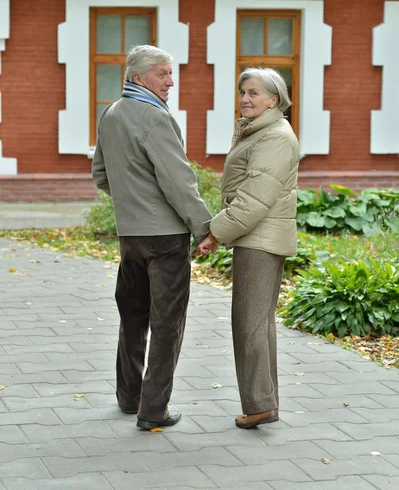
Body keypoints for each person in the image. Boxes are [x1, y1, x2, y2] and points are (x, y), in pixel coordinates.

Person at [92, 45, 218, 431]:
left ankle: (129, 397)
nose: (171, 81)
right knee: (167, 324)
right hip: (165, 239)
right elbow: (178, 182)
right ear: (137, 77)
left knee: (133, 316)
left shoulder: (110, 114)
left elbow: (100, 175)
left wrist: (133, 204)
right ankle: (153, 411)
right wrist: (204, 227)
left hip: (130, 236)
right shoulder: (154, 118)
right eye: (163, 74)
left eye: (171, 73)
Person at [208, 67, 300, 429]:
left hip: (259, 238)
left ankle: (260, 405)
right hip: (256, 236)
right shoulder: (260, 131)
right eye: (243, 91)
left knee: (249, 323)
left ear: (273, 100)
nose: (245, 99)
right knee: (257, 323)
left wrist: (215, 232)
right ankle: (265, 402)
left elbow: (254, 200)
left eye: (254, 93)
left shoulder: (274, 136)